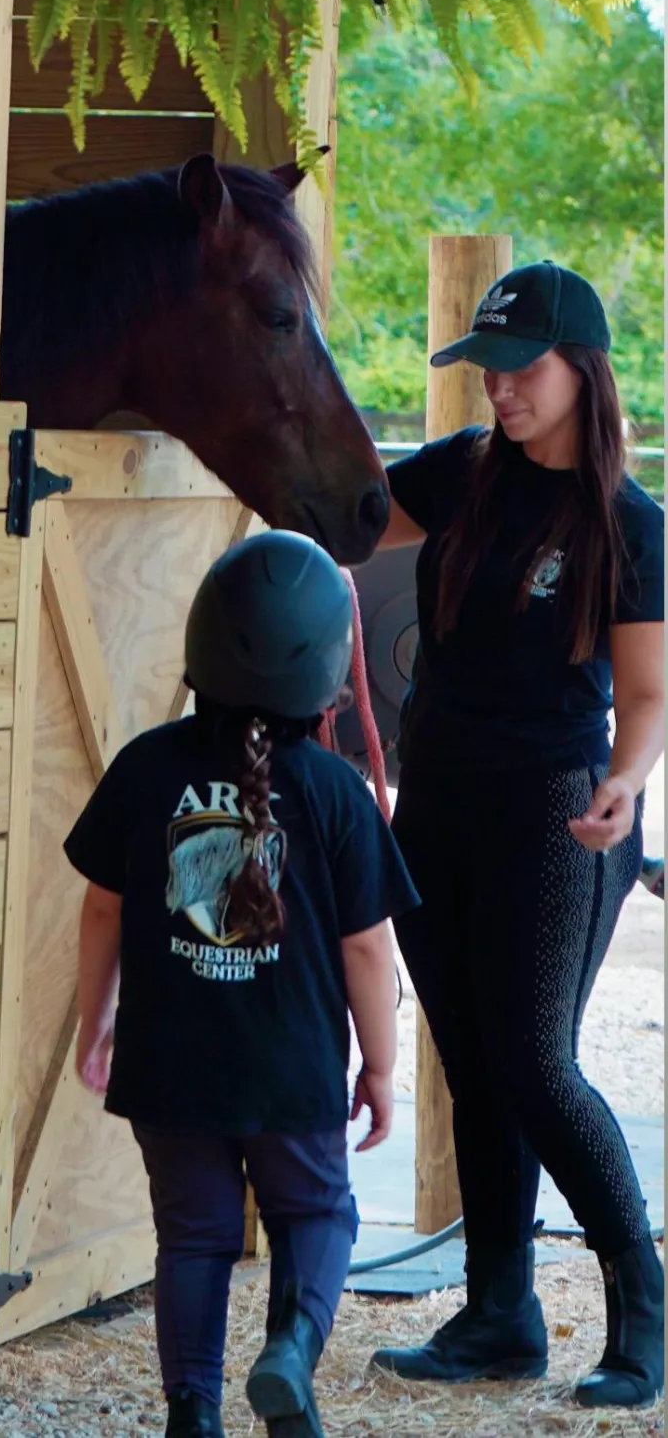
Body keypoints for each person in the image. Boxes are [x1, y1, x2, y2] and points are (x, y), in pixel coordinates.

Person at [368, 261, 664, 1408]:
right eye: (487, 370)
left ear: (582, 369)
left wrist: (627, 782)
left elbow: (646, 695)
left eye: (520, 368)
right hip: (436, 802)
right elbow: (340, 522)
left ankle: (642, 1314)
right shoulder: (460, 473)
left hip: (558, 808)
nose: (499, 390)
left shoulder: (629, 524)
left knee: (537, 1062)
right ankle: (500, 1316)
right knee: (475, 1061)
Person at [65, 531, 419, 1438]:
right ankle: (291, 1353)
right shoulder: (335, 792)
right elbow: (368, 949)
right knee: (316, 1214)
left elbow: (101, 909)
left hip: (170, 1064)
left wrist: (94, 1019)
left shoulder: (146, 766)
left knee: (194, 1235)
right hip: (290, 1069)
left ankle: (193, 1412)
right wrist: (380, 1067)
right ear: (330, 670)